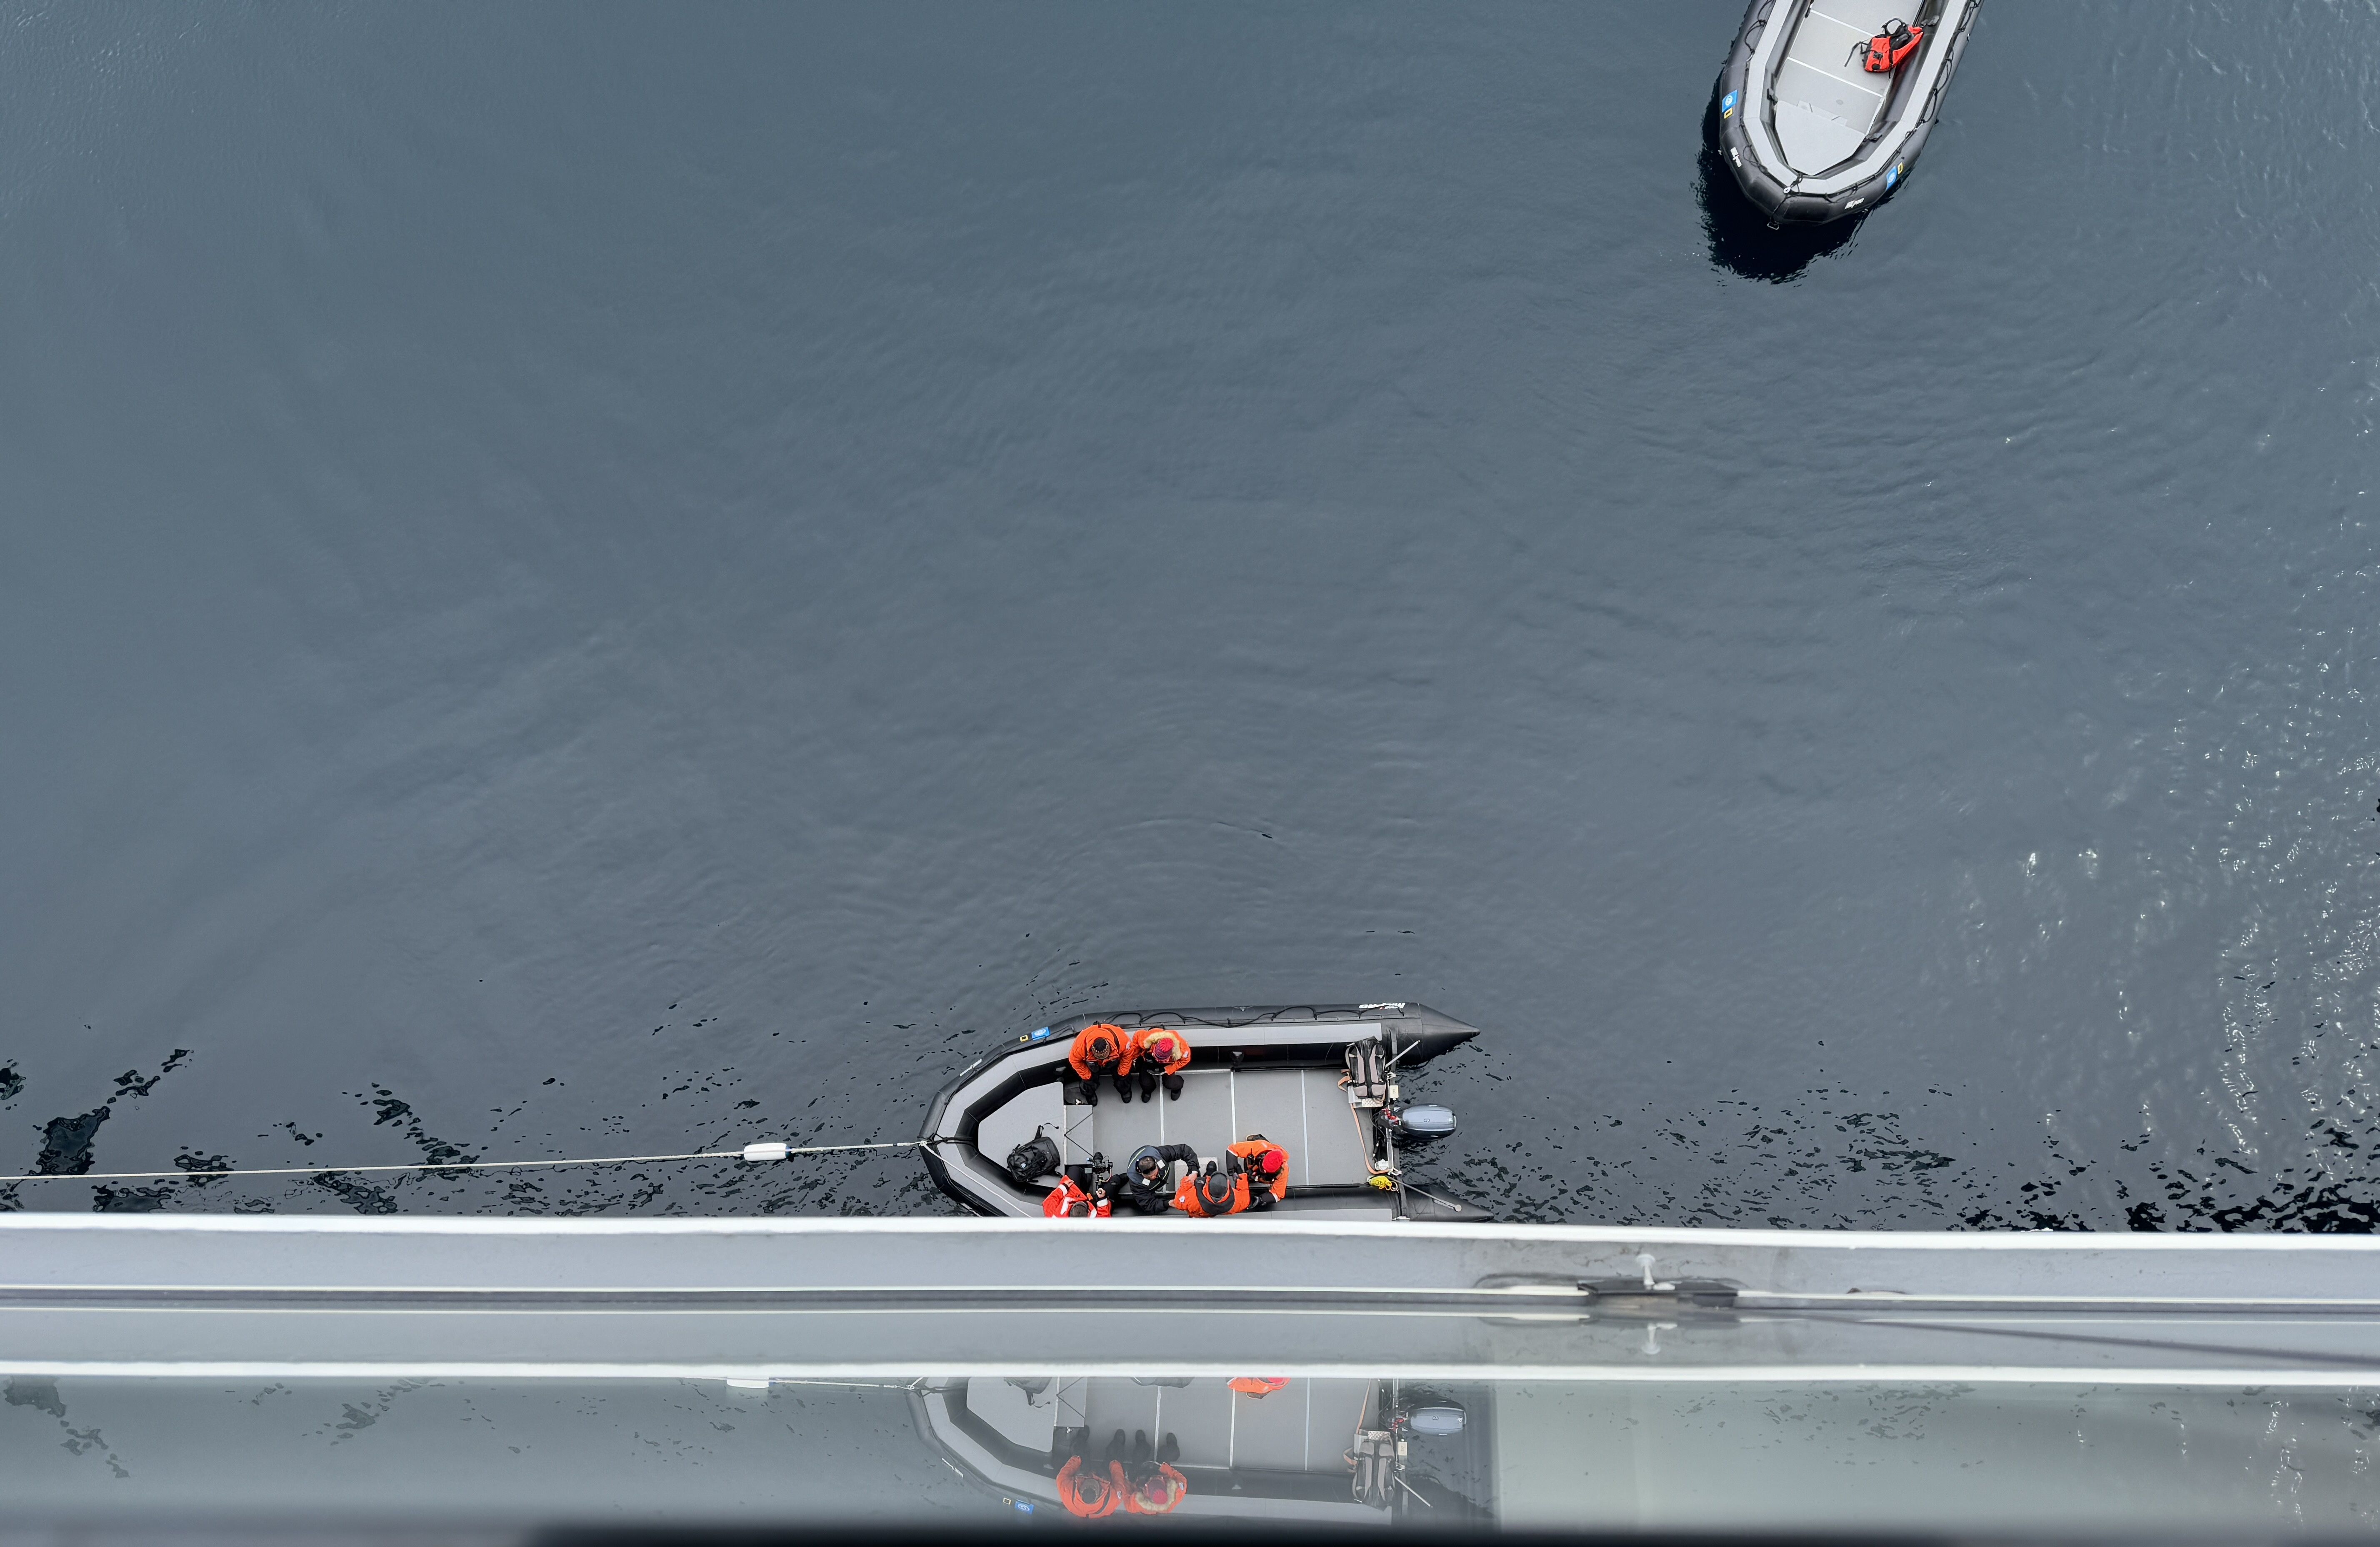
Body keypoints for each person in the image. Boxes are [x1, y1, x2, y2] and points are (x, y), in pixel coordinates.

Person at [1115, 1144, 1200, 1216]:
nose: (1154, 1178)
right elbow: (1148, 1205)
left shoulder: (1161, 1154)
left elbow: (1184, 1150)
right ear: (1141, 1174)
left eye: (1156, 1174)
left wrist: (1194, 1172)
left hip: (1156, 1158)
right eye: (1150, 1177)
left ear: (1156, 1164)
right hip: (1148, 1189)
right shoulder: (1136, 1183)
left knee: (1194, 1174)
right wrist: (1168, 1203)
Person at [1120, 1429, 1188, 1516]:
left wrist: (1127, 1480)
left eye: (1150, 1482)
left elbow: (1125, 1491)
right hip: (1160, 1471)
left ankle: (1142, 1444)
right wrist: (1166, 1469)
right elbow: (1182, 1479)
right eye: (1156, 1480)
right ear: (1165, 1486)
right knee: (1165, 1452)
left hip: (1140, 1477)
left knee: (1138, 1455)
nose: (1151, 1478)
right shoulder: (1176, 1494)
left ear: (1146, 1493)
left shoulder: (1133, 1505)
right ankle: (1174, 1448)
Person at [1066, 1023, 1133, 1105]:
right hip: (1093, 1064)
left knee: (1123, 1078)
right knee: (1088, 1082)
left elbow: (1128, 1055)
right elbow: (1074, 1060)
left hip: (1113, 1061)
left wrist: (1122, 1072)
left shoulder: (1122, 1039)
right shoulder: (1080, 1046)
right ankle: (1090, 1093)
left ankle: (1124, 1089)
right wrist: (1087, 1076)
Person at [1055, 1444, 1126, 1519]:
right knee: (1114, 1458)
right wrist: (1114, 1464)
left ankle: (1081, 1446)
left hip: (1083, 1474)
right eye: (1094, 1486)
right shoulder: (1112, 1500)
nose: (1092, 1481)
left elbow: (1062, 1477)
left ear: (1081, 1491)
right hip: (1104, 1477)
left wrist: (1076, 1460)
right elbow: (1119, 1482)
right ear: (1099, 1494)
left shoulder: (1068, 1493)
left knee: (1080, 1452)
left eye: (1088, 1485)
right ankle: (1115, 1448)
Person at [1171, 1158, 1252, 1218]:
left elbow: (1178, 1202)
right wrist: (1241, 1175)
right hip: (1214, 1213)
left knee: (1201, 1176)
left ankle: (1209, 1172)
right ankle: (1211, 1171)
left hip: (1199, 1215)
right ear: (1227, 1185)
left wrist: (1189, 1180)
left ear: (1208, 1184)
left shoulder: (1192, 1199)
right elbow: (1244, 1192)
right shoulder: (1240, 1201)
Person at [1227, 1135, 1290, 1210]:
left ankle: (1253, 1178)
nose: (1264, 1171)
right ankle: (1256, 1138)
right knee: (1258, 1143)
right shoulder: (1259, 1147)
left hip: (1263, 1177)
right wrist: (1232, 1171)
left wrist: (1260, 1200)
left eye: (1266, 1171)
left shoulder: (1284, 1172)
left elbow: (1278, 1194)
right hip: (1254, 1163)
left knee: (1252, 1176)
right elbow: (1232, 1149)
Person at [1128, 1029, 1191, 1102]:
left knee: (1170, 1083)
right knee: (1145, 1082)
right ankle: (1148, 1090)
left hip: (1167, 1065)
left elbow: (1185, 1061)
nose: (1158, 1060)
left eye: (1161, 1059)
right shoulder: (1146, 1039)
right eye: (1157, 1056)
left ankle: (1177, 1089)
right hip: (1148, 1061)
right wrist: (1134, 1057)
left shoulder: (1182, 1050)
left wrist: (1167, 1069)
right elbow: (1136, 1041)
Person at [1041, 1173, 1110, 1219]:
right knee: (1111, 1186)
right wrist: (1102, 1199)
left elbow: (1049, 1202)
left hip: (1073, 1193)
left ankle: (1087, 1178)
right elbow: (1104, 1219)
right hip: (1091, 1202)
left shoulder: (1055, 1219)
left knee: (1074, 1171)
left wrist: (1064, 1188)